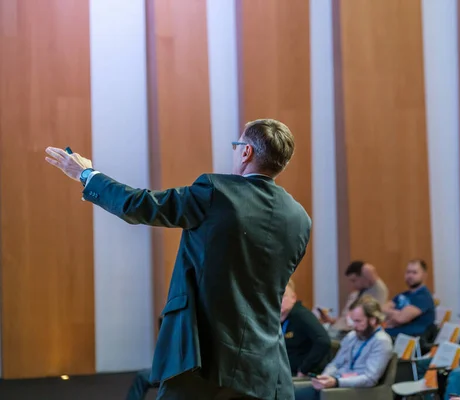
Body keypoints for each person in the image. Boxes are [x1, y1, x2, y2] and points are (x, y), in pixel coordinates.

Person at [45, 119, 312, 400]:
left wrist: (87, 174)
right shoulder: (299, 219)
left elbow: (140, 205)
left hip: (203, 352)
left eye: (237, 146)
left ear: (246, 152)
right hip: (266, 367)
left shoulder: (217, 192)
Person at [294, 295, 393, 400]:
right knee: (285, 393)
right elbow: (336, 364)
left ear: (373, 320)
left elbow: (370, 379)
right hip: (335, 384)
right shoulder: (352, 336)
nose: (354, 326)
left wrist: (336, 382)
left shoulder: (381, 341)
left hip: (353, 390)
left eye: (358, 321)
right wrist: (325, 377)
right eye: (353, 321)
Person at [280, 279, 331, 376]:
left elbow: (323, 341)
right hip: (284, 373)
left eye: (284, 296)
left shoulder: (302, 315)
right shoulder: (279, 319)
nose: (279, 300)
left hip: (303, 376)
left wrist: (304, 369)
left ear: (293, 298)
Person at [321, 261, 388, 332]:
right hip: (337, 329)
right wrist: (331, 320)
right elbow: (345, 318)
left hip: (350, 332)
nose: (353, 284)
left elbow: (369, 271)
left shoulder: (376, 291)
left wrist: (364, 271)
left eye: (354, 280)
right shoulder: (354, 295)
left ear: (363, 276)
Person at [382, 259, 435, 339]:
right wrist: (397, 314)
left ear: (424, 275)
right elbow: (382, 309)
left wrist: (394, 316)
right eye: (408, 272)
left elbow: (401, 319)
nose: (410, 275)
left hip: (408, 340)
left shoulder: (423, 296)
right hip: (391, 334)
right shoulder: (404, 294)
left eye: (414, 272)